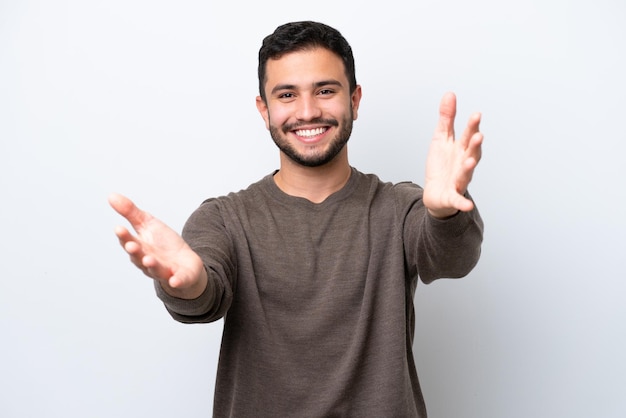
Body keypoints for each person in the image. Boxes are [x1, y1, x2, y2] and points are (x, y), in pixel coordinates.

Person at [109, 20, 484, 418]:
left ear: (355, 100)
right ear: (264, 109)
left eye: (325, 90)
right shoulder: (223, 219)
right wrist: (188, 285)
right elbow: (204, 297)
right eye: (287, 95)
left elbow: (451, 259)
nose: (307, 112)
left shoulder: (398, 207)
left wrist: (444, 212)